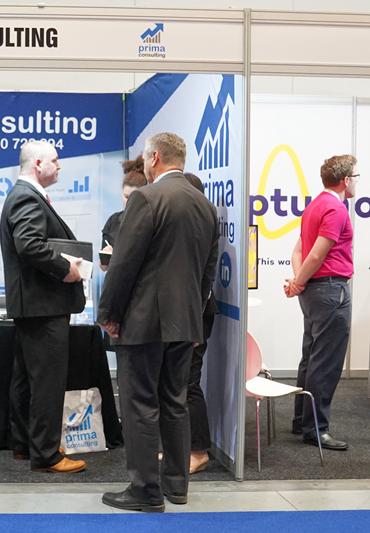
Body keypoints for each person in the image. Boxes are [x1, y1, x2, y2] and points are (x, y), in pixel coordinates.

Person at [98, 133, 218, 513]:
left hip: (143, 322)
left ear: (153, 158)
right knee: (175, 402)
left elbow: (123, 264)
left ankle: (145, 491)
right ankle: (177, 487)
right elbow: (207, 273)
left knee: (140, 406)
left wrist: (108, 315)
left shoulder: (146, 198)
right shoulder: (206, 206)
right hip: (185, 323)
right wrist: (194, 318)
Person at [0, 140, 87, 474]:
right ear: (38, 164)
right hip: (43, 305)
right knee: (47, 382)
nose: (59, 165)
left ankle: (27, 444)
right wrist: (66, 269)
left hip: (34, 305)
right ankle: (47, 455)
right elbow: (30, 244)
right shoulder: (26, 196)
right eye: (55, 160)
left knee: (28, 380)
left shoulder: (24, 195)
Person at [284, 154, 358, 452]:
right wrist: (299, 282)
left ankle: (302, 421)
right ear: (345, 180)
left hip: (314, 293)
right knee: (325, 362)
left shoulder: (315, 205)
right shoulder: (336, 209)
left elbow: (298, 252)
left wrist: (298, 283)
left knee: (311, 357)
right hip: (329, 291)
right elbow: (315, 255)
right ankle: (316, 428)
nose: (356, 182)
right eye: (355, 176)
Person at [183, 172, 219, 474]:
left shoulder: (202, 229)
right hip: (188, 313)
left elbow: (203, 283)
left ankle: (198, 451)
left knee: (189, 382)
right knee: (180, 382)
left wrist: (193, 321)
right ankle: (186, 447)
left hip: (197, 313)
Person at [100, 155, 147, 271]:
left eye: (133, 198)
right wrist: (106, 255)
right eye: (126, 196)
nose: (129, 202)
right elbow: (103, 266)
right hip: (117, 278)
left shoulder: (151, 221)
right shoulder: (113, 221)